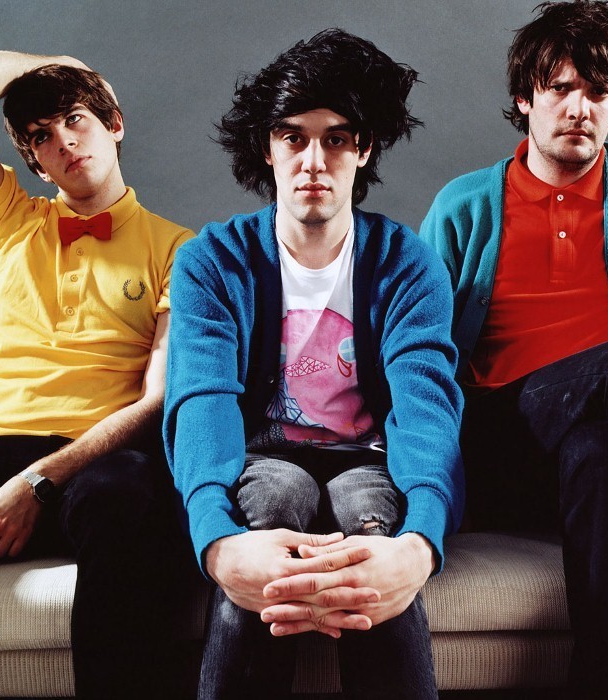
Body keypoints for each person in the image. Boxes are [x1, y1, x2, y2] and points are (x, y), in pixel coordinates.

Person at [164, 29, 464, 699]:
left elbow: (426, 409)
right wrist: (219, 543)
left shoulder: (408, 264)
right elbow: (202, 402)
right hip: (263, 457)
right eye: (293, 137)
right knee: (273, 499)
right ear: (266, 147)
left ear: (365, 149)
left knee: (367, 523)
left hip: (371, 461)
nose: (313, 162)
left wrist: (417, 546)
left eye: (337, 139)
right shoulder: (212, 261)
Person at [419, 2, 608, 698]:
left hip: (601, 443)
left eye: (599, 92)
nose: (579, 109)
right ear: (525, 99)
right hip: (498, 436)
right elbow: (417, 357)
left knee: (600, 452)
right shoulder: (464, 206)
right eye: (561, 88)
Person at [0, 52, 196, 699]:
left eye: (76, 118)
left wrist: (39, 481)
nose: (65, 141)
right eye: (42, 135)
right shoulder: (7, 220)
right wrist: (58, 64)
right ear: (36, 163)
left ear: (114, 124)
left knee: (125, 496)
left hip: (99, 457)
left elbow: (159, 399)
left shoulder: (179, 248)